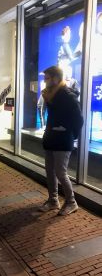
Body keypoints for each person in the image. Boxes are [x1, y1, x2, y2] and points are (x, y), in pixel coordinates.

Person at [39, 66, 83, 216]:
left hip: (63, 139)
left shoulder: (67, 95)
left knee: (60, 172)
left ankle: (71, 202)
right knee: (50, 171)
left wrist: (69, 133)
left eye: (47, 78)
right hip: (51, 137)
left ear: (56, 79)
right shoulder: (49, 95)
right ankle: (53, 200)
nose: (45, 81)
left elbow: (79, 119)